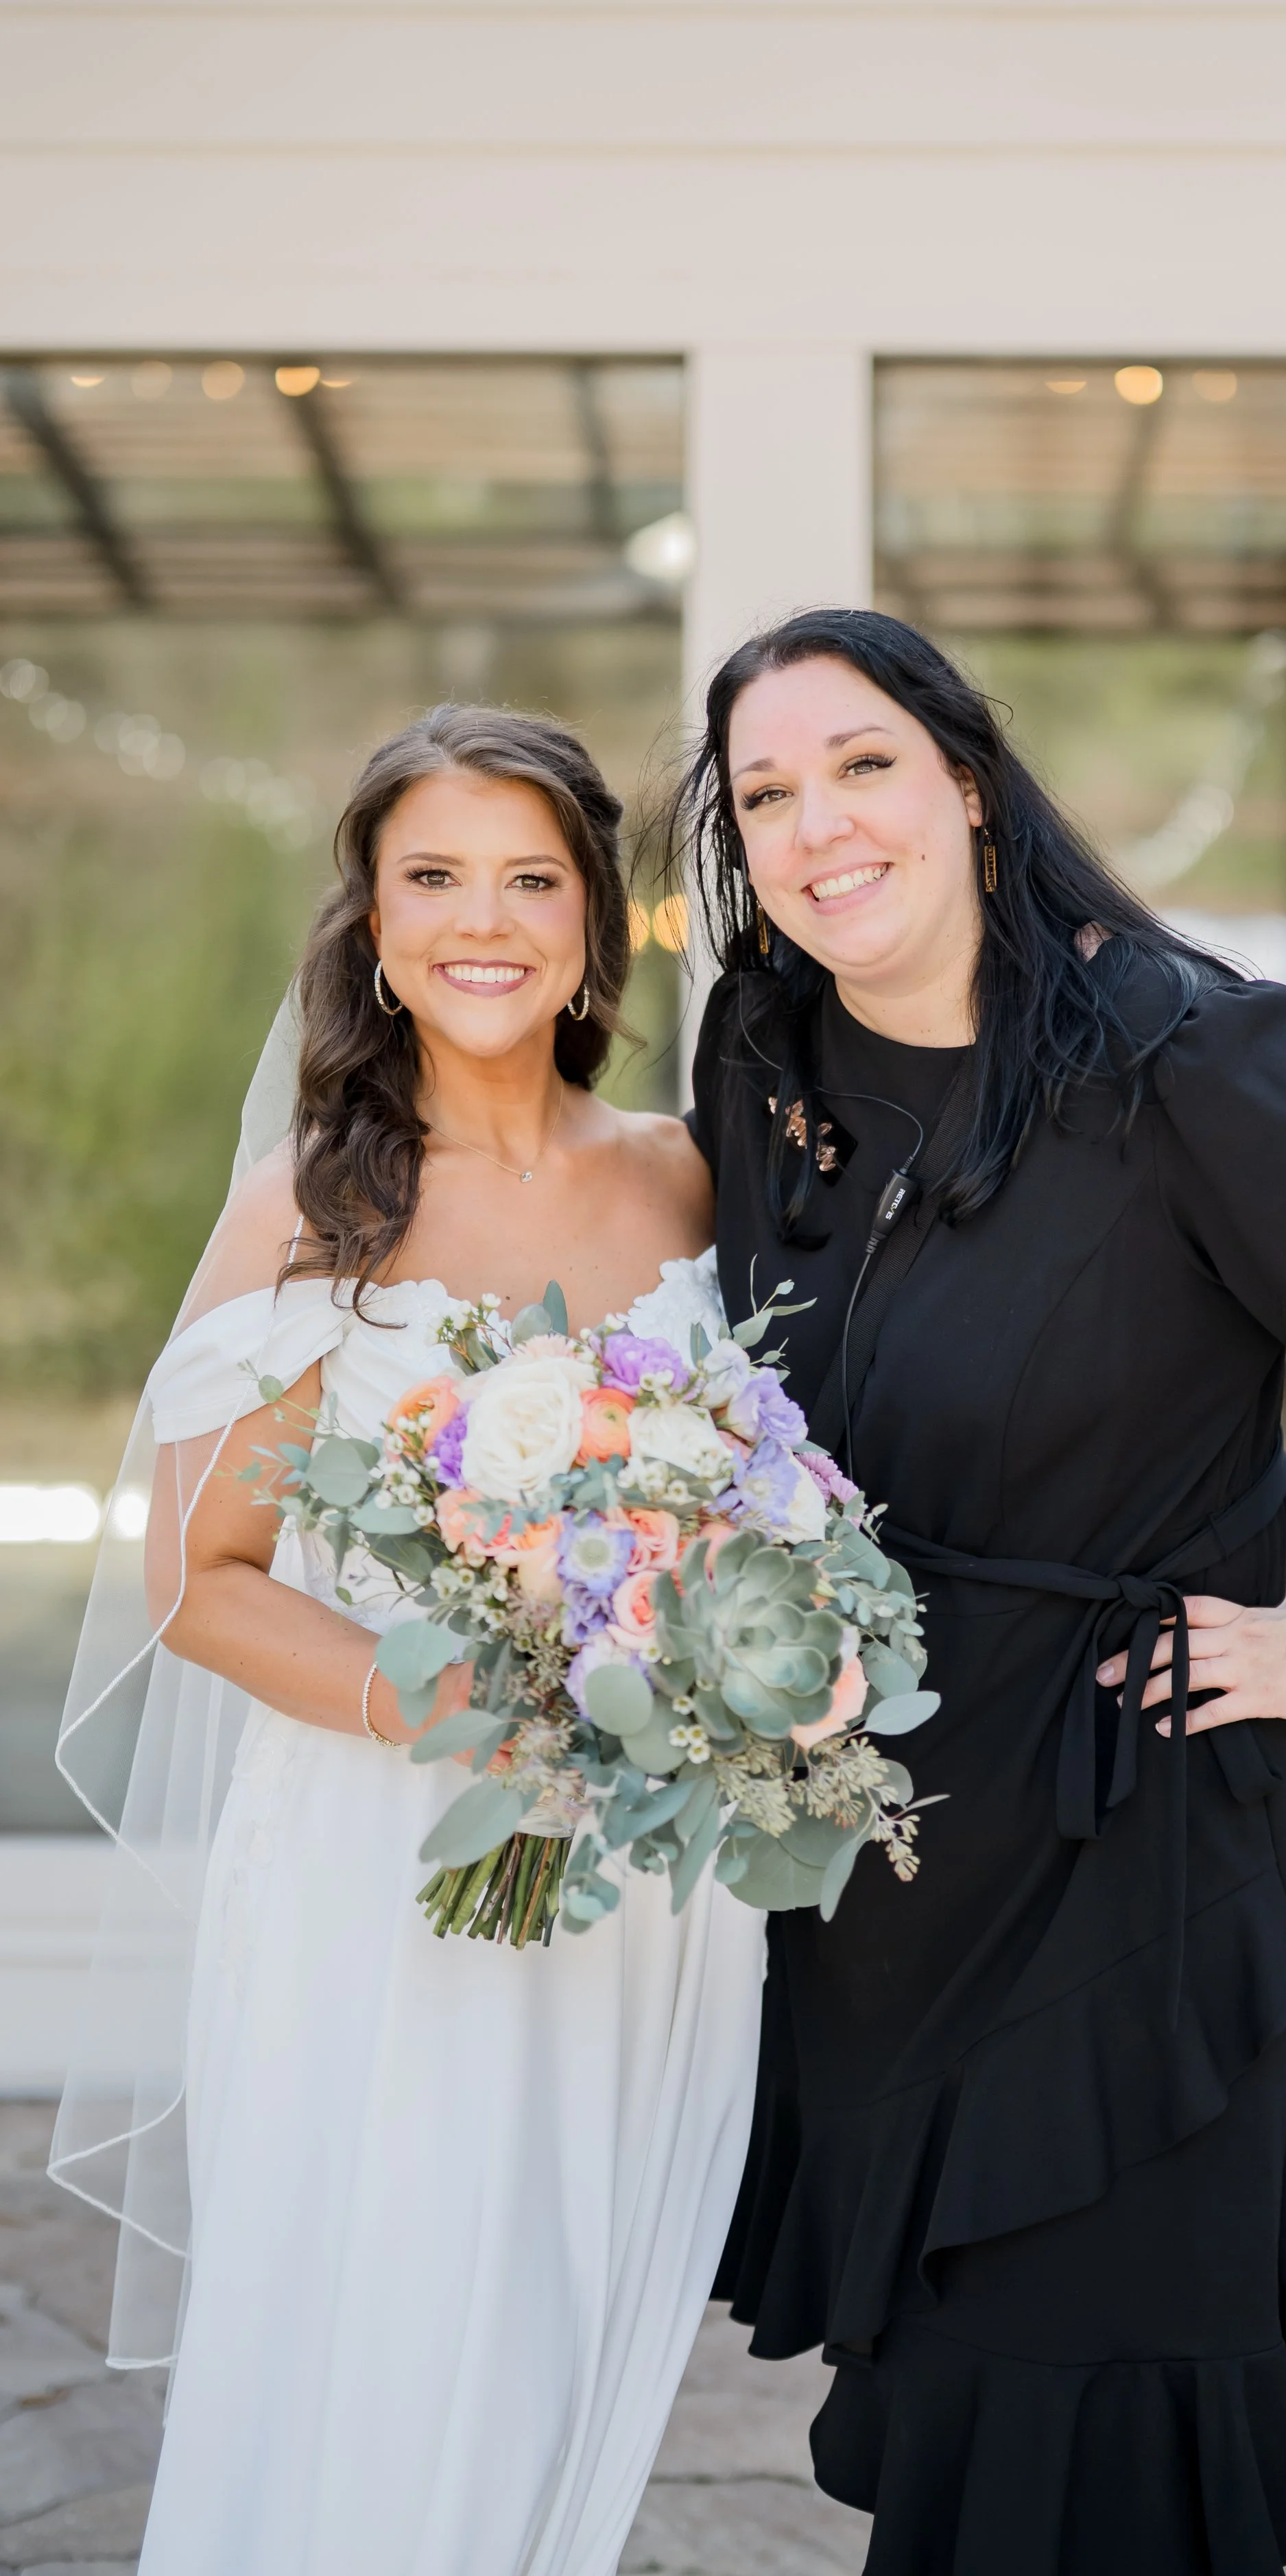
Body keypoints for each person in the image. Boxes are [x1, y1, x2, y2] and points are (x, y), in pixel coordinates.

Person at [674, 608, 1286, 2576]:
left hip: (1140, 1825)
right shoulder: (766, 1056)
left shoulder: (1181, 1048)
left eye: (861, 762)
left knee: (1085, 2427)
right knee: (968, 2420)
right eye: (766, 792)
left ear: (967, 783)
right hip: (892, 1845)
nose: (818, 824)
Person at [51, 706, 764, 2576]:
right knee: (373, 2327)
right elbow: (195, 1574)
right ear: (371, 922)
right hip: (388, 1850)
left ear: (598, 926)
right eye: (433, 876)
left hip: (638, 1878)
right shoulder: (313, 1208)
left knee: (570, 2322)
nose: (484, 918)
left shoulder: (688, 1181)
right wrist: (442, 1696)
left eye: (532, 877)